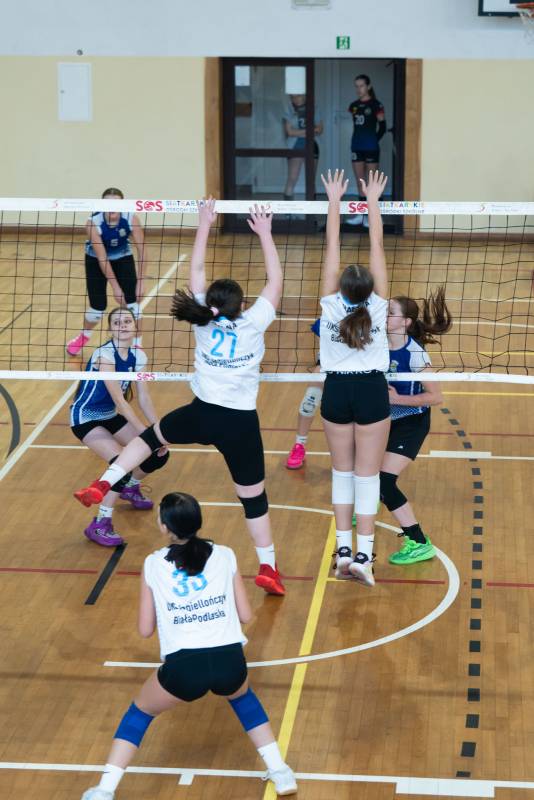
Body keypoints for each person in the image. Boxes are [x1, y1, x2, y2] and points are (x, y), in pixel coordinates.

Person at [74, 200, 287, 596]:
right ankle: (268, 567)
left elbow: (197, 270)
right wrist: (265, 234)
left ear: (210, 305)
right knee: (253, 498)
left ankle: (105, 483)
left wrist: (204, 223)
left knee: (151, 438)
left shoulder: (202, 322)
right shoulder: (255, 323)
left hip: (200, 414)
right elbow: (275, 281)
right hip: (239, 423)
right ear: (242, 306)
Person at [80, 492, 297, 800]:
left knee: (140, 713)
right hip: (230, 660)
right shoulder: (224, 554)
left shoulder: (153, 563)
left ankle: (104, 790)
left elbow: (144, 630)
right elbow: (247, 615)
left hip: (184, 667)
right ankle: (281, 772)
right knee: (243, 698)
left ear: (164, 526)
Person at [319, 168, 390, 587]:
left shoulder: (329, 305)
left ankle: (342, 550)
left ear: (342, 288)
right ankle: (364, 555)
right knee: (367, 476)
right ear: (369, 290)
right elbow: (377, 244)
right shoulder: (379, 307)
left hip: (336, 391)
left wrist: (335, 200)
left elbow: (332, 245)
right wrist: (372, 201)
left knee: (342, 473)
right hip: (370, 390)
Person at [70, 307, 169, 546]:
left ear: (135, 326)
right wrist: (147, 433)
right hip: (86, 417)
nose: (123, 325)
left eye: (127, 321)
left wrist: (158, 430)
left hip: (109, 415)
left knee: (158, 453)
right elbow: (120, 400)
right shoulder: (105, 355)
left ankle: (130, 488)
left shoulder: (138, 357)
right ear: (110, 329)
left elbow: (144, 397)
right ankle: (100, 524)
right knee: (120, 463)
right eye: (117, 322)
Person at [382, 288, 452, 564]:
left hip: (411, 422)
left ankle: (419, 542)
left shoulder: (415, 355)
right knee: (362, 469)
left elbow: (436, 397)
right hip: (383, 420)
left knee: (384, 481)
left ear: (406, 322)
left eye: (390, 313)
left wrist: (397, 399)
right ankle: (369, 500)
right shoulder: (377, 345)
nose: (384, 316)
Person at [67, 187, 145, 356]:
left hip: (123, 257)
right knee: (97, 309)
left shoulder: (131, 218)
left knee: (133, 304)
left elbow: (143, 250)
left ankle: (137, 345)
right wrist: (116, 288)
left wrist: (141, 282)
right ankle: (84, 336)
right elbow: (102, 258)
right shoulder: (93, 223)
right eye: (107, 204)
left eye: (116, 204)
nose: (112, 208)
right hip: (95, 261)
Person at [346, 75, 386, 227]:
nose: (358, 89)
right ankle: (362, 216)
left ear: (368, 86)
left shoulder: (376, 104)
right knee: (360, 182)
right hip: (356, 146)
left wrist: (373, 140)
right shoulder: (353, 106)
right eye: (356, 86)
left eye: (361, 86)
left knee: (372, 183)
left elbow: (382, 127)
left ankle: (374, 216)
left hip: (371, 148)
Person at [285, 319, 322, 470]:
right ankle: (299, 445)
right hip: (327, 366)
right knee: (309, 402)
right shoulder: (329, 315)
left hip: (357, 368)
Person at [282, 94, 323, 200]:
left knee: (311, 180)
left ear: (304, 95)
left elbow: (319, 129)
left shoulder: (313, 107)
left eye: (298, 96)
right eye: (292, 97)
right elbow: (290, 132)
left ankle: (311, 209)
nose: (295, 99)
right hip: (295, 145)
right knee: (292, 178)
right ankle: (287, 209)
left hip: (312, 145)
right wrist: (310, 131)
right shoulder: (289, 108)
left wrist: (299, 132)